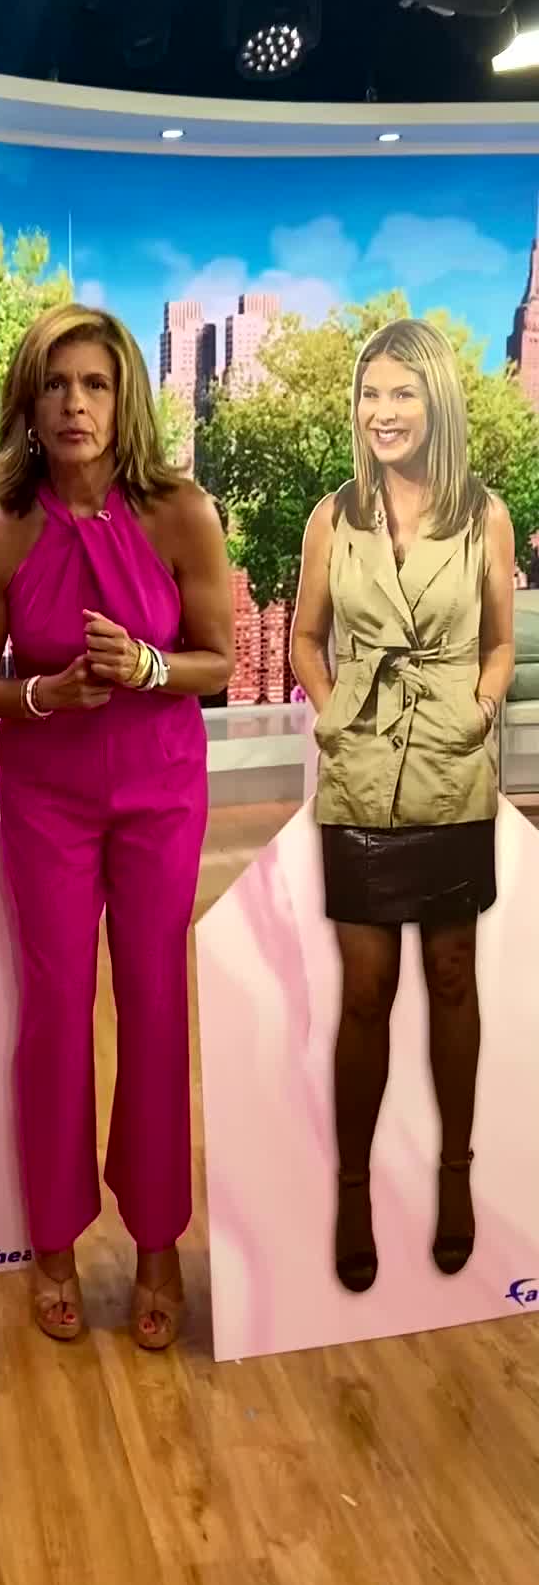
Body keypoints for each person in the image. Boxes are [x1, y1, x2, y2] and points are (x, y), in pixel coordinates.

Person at [0, 302, 233, 1349]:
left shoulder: (181, 513)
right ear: (28, 404)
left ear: (125, 402)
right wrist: (45, 696)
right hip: (48, 799)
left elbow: (214, 659)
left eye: (96, 385)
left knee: (155, 1006)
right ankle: (54, 1240)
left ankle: (158, 1239)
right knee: (57, 1012)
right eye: (56, 385)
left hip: (163, 789)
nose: (75, 404)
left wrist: (149, 667)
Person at [290, 319, 515, 1293]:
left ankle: (456, 1176)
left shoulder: (485, 517)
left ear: (437, 403)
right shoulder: (331, 518)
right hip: (360, 775)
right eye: (369, 395)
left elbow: (499, 642)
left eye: (401, 394)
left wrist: (480, 709)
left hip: (453, 774)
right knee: (366, 987)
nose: (381, 413)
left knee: (453, 974)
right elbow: (305, 637)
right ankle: (351, 1190)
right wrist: (332, 715)